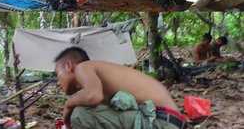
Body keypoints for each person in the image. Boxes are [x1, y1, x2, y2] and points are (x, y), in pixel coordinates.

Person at [54, 47, 187, 129]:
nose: (58, 82)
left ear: (69, 65)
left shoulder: (83, 67)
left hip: (160, 121)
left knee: (81, 114)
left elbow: (93, 97)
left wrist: (68, 105)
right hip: (169, 121)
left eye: (57, 74)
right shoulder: (99, 79)